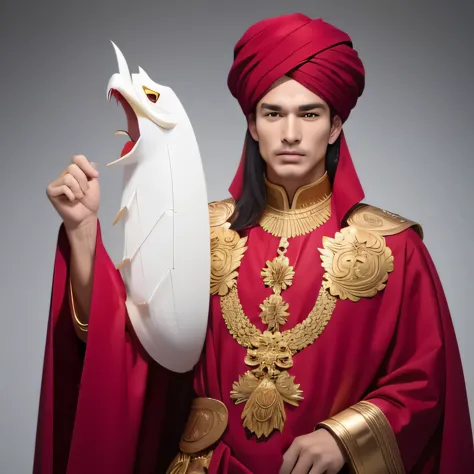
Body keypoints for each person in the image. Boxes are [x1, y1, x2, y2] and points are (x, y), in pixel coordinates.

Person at [34, 13, 473, 474]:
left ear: (336, 125)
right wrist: (83, 232)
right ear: (251, 123)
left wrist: (345, 437)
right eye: (273, 113)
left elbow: (426, 383)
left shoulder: (394, 248)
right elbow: (132, 350)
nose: (290, 133)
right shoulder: (198, 234)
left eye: (309, 113)